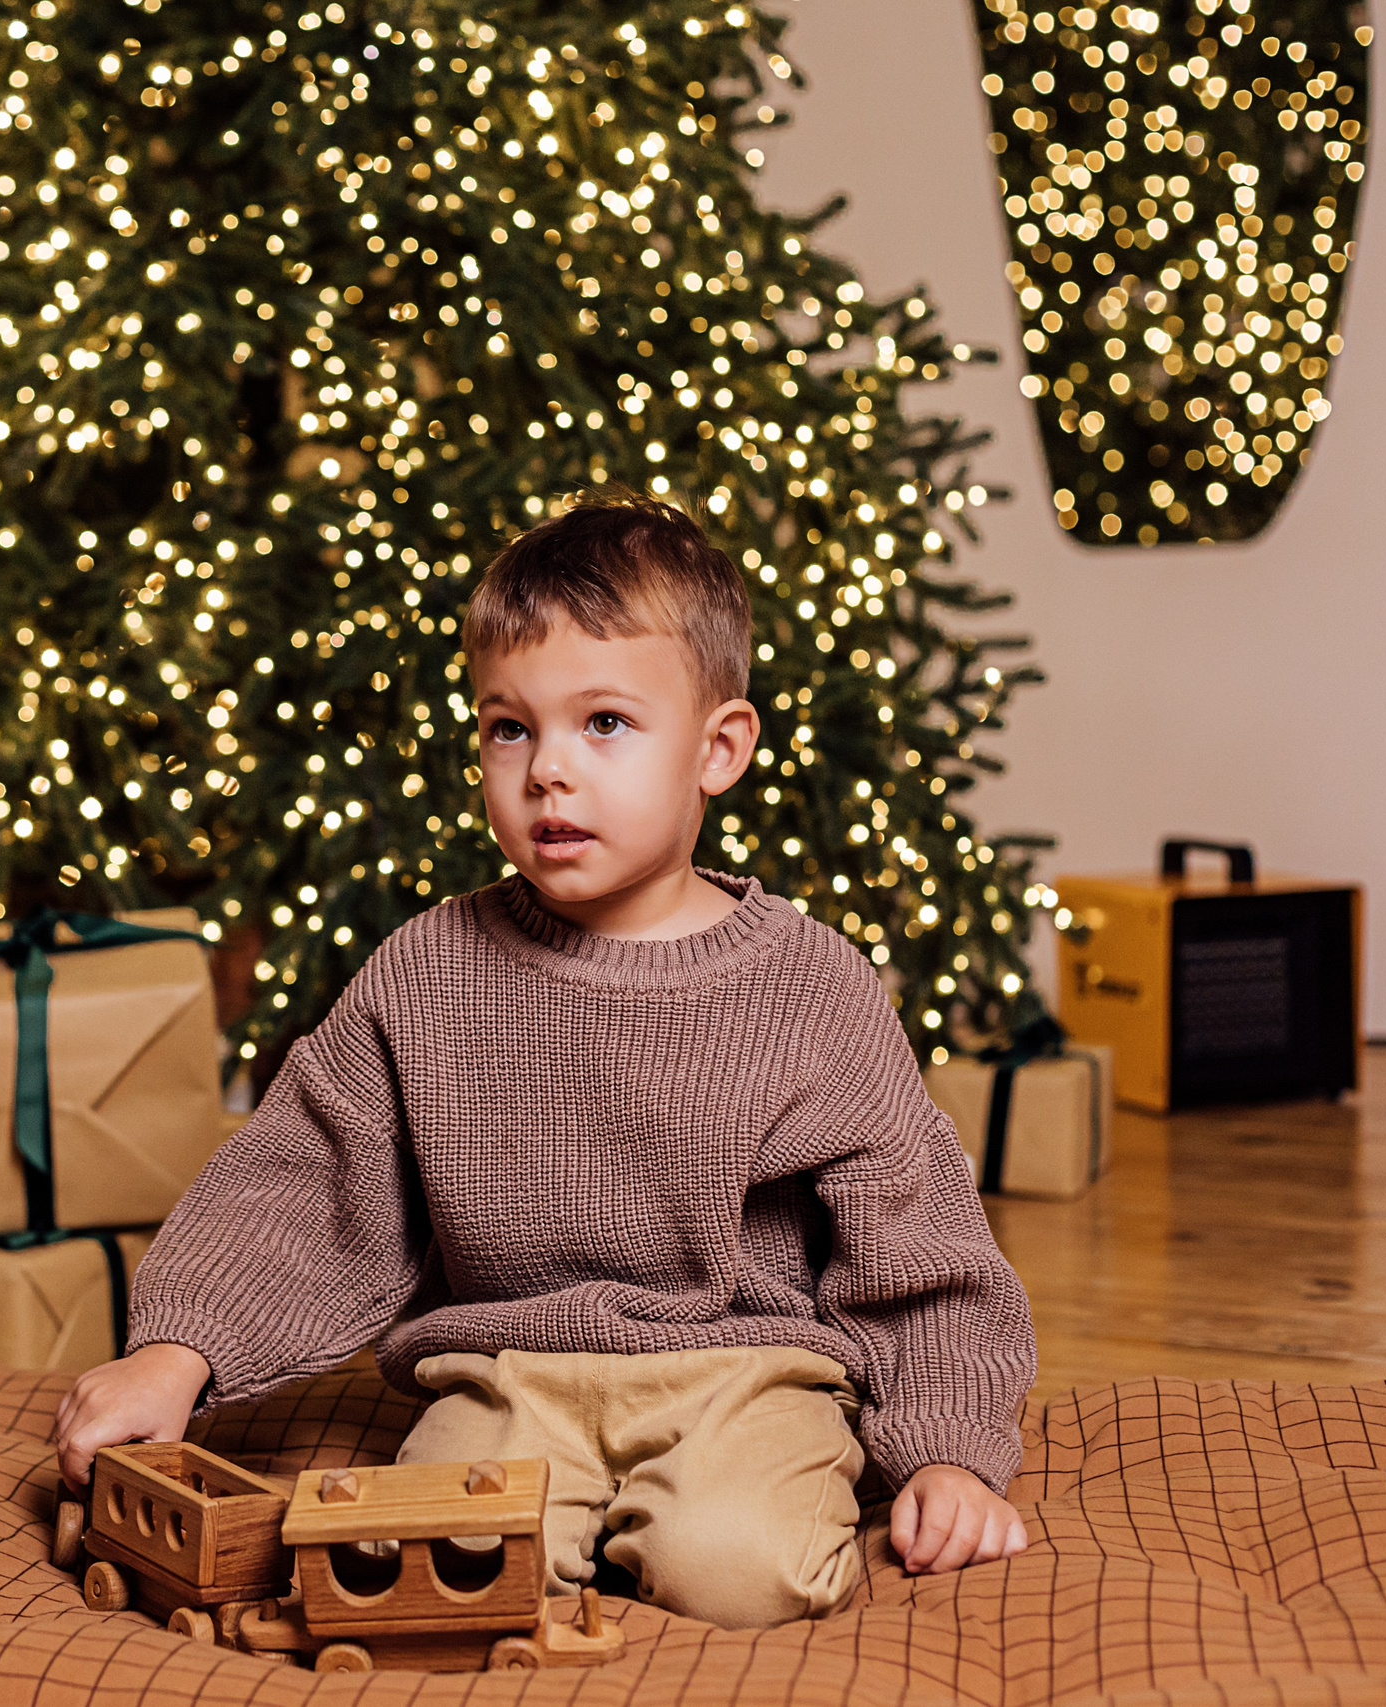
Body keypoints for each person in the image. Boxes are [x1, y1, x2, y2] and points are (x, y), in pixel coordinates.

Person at [53, 489, 1035, 1630]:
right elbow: (303, 1178)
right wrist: (178, 1351)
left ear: (717, 749)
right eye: (507, 727)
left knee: (733, 1566)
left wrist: (949, 1455)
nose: (545, 772)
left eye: (603, 723)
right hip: (506, 1373)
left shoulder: (810, 988)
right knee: (397, 1567)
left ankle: (674, 1527)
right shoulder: (428, 970)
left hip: (746, 1372)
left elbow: (918, 1247)